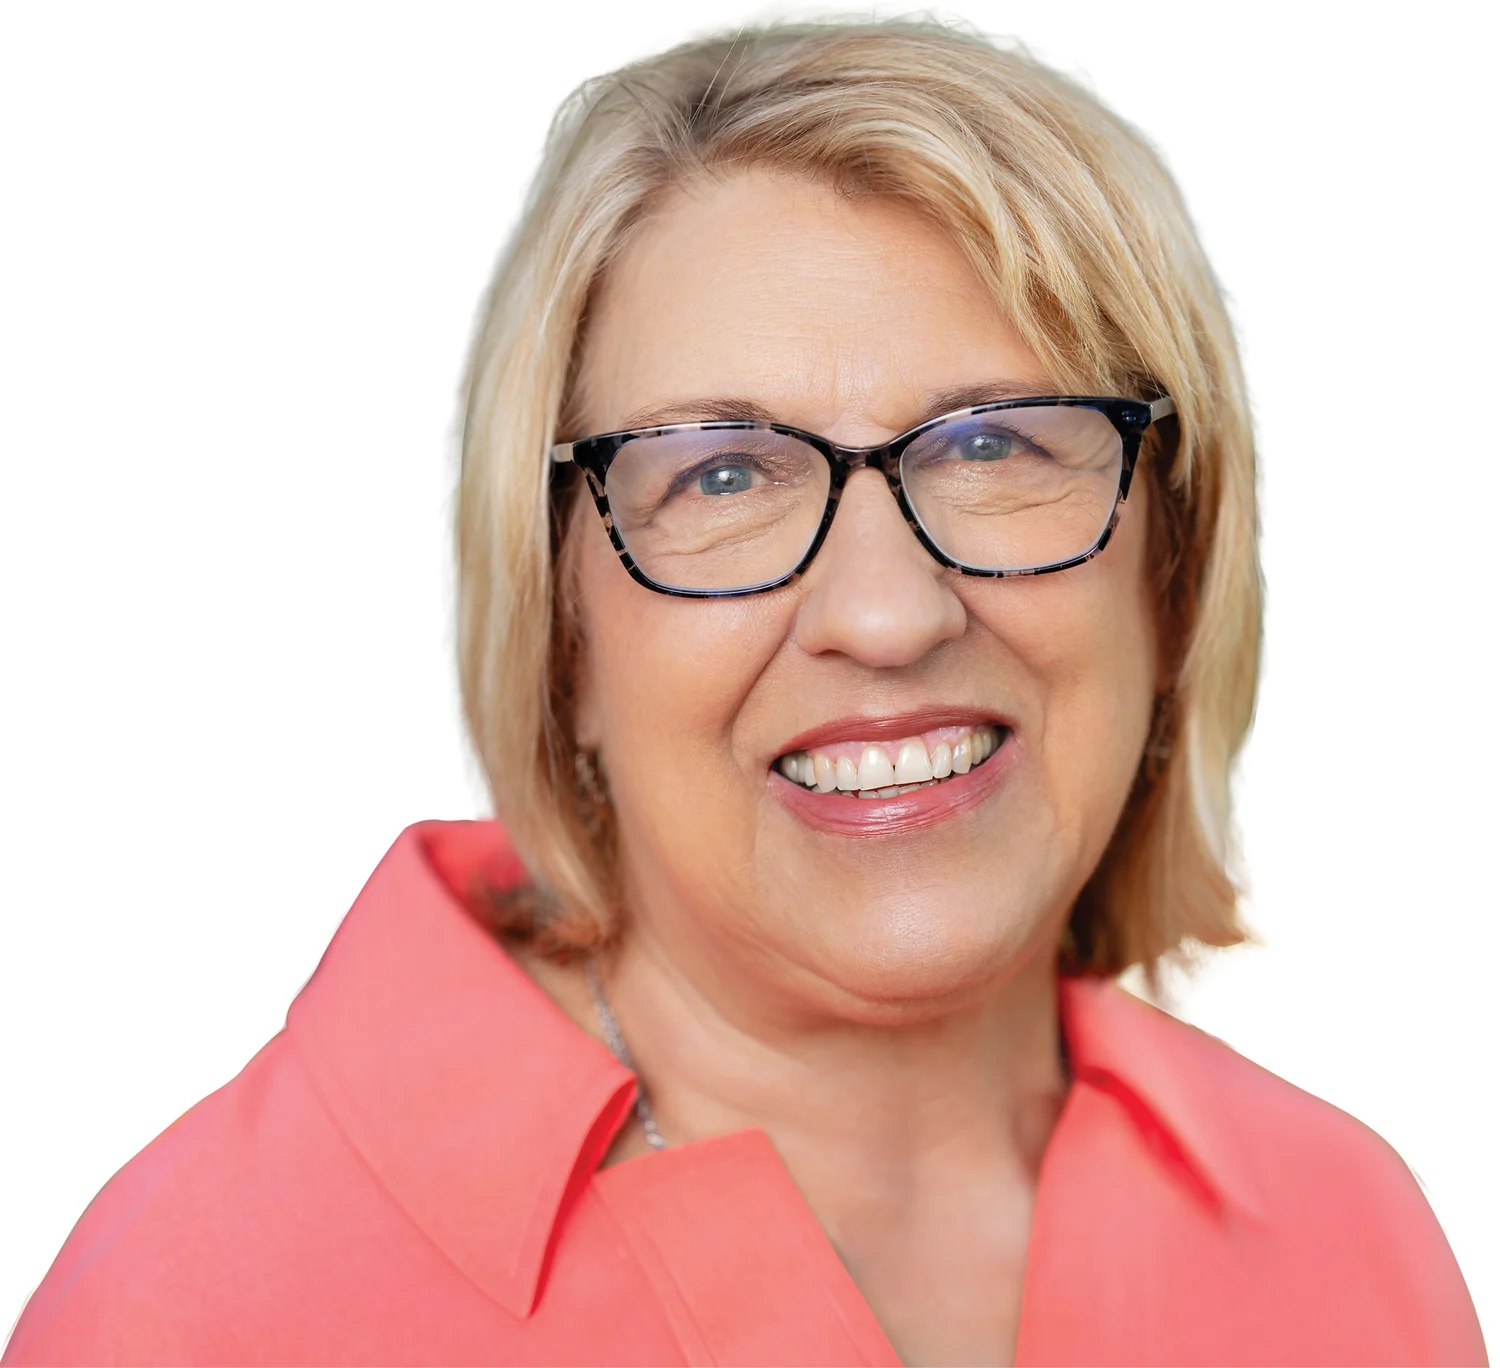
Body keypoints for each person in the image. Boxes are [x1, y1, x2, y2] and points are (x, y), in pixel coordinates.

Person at [4, 18, 1485, 1367]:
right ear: (563, 639)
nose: (889, 615)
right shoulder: (200, 1312)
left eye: (995, 446)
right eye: (722, 474)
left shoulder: (1343, 1234)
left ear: (1171, 568)